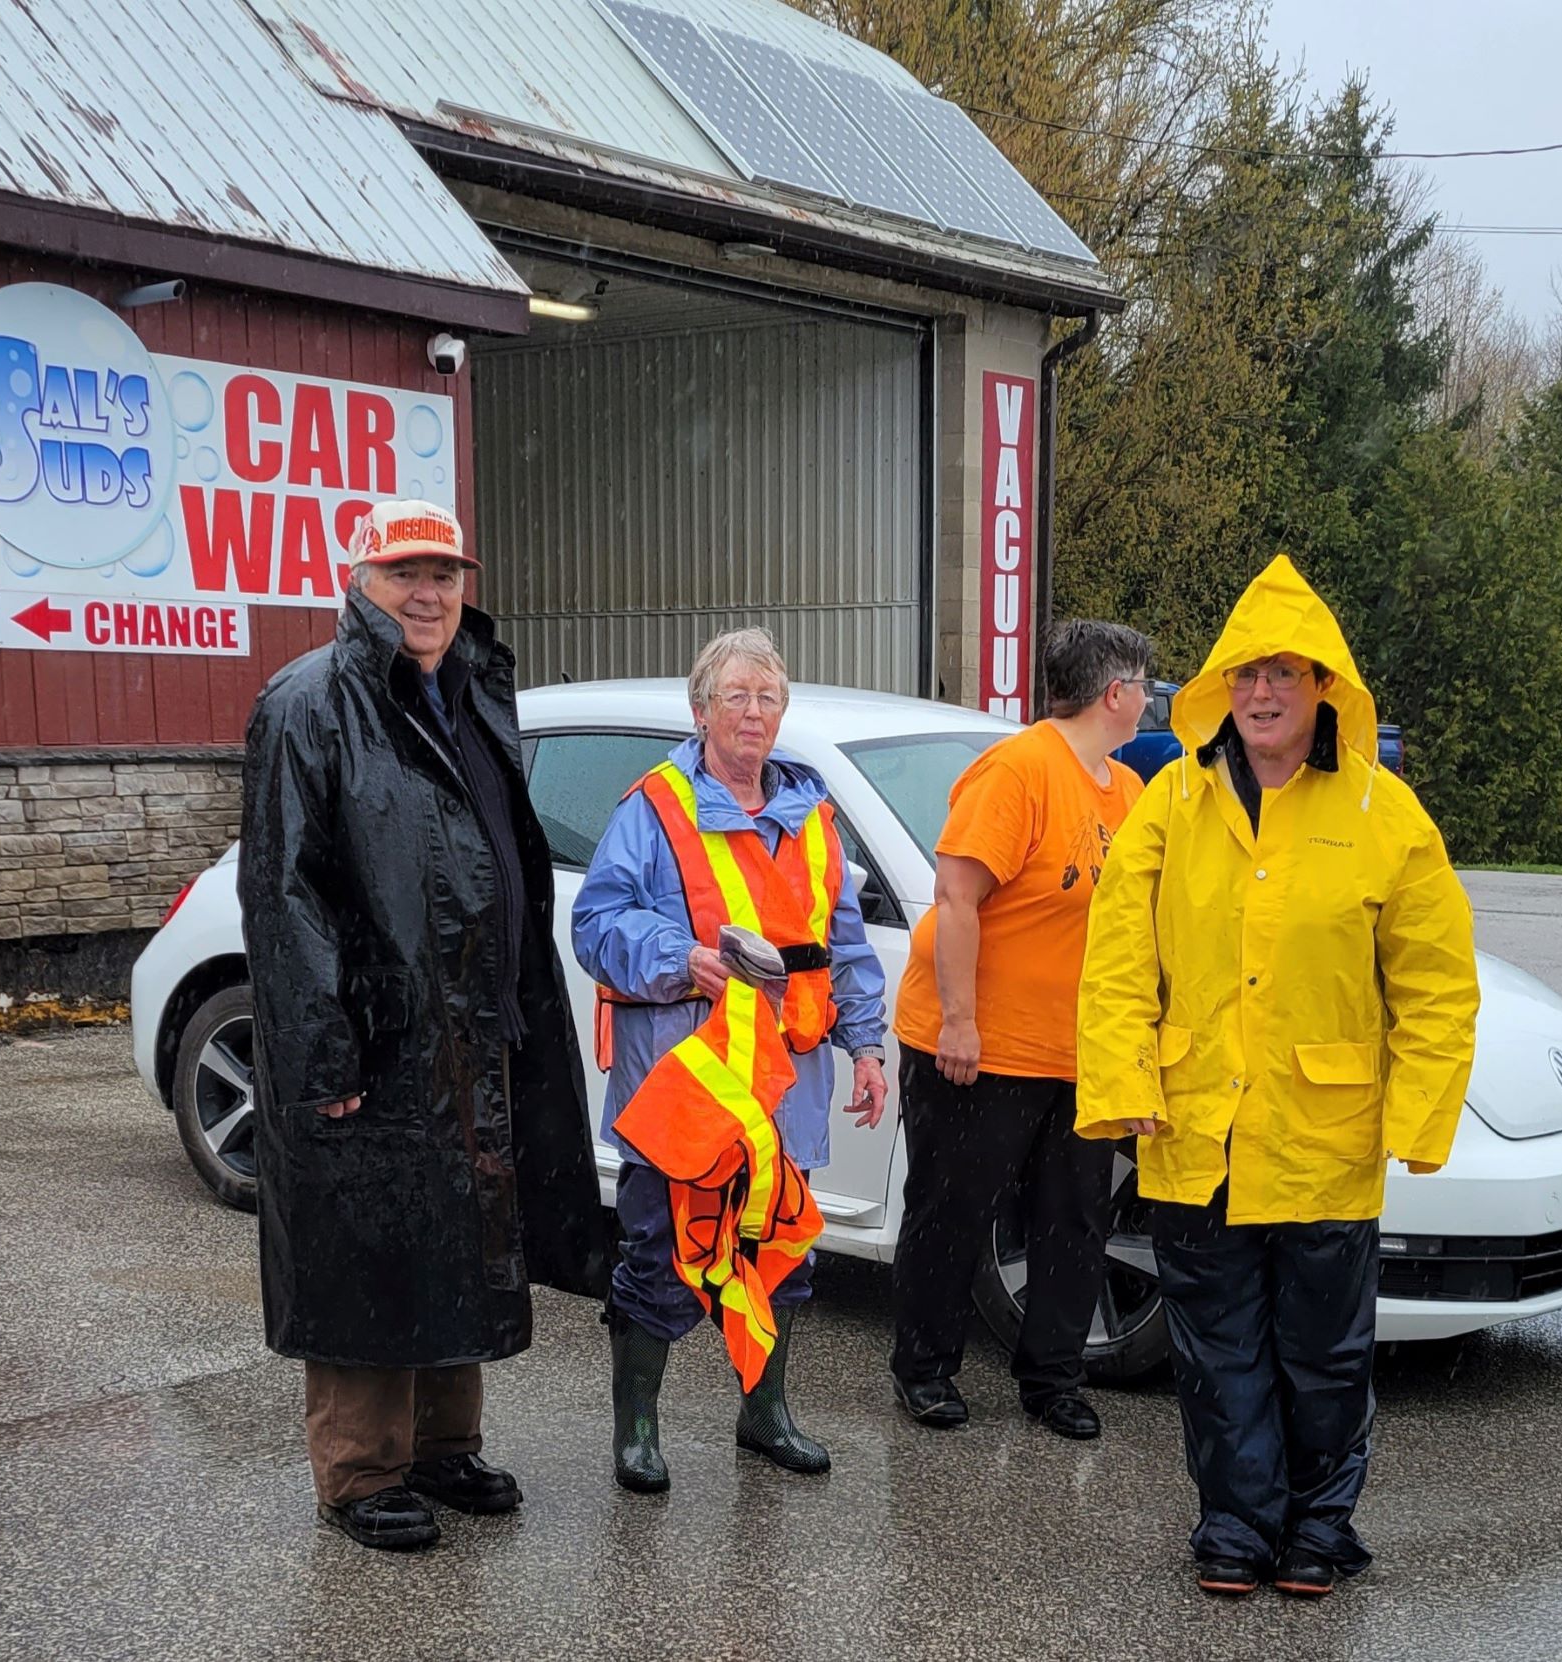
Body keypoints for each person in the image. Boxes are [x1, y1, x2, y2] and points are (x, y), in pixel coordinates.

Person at [1076, 556, 1479, 1599]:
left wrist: (1420, 1115)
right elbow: (1118, 960)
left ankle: (1317, 1530)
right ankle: (1234, 1528)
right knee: (1217, 1354)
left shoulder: (1385, 813)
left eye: (1284, 675)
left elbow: (1436, 982)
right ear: (1221, 687)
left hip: (1322, 1139)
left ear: (1322, 688)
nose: (1261, 693)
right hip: (1193, 1133)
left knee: (1323, 1354)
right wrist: (1121, 1083)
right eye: (1246, 674)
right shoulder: (1170, 803)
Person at [239, 499, 607, 1553]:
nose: (428, 592)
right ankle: (362, 1471)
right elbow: (284, 894)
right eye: (404, 572)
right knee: (368, 1249)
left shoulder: (470, 693)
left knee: (458, 1238)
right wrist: (325, 1051)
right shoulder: (308, 702)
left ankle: (446, 1447)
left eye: (444, 573)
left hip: (472, 1022)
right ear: (359, 581)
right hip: (377, 1030)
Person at [572, 626, 888, 1492]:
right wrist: (682, 958)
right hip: (686, 1089)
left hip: (785, 1090)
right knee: (659, 1258)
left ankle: (765, 1414)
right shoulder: (654, 807)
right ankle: (638, 1432)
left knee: (780, 1250)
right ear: (701, 710)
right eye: (736, 696)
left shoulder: (815, 819)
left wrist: (866, 1045)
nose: (754, 712)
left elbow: (844, 949)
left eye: (768, 697)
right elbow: (596, 925)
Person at [887, 620, 1154, 1439]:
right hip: (980, 1048)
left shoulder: (1126, 791)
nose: (1149, 698)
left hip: (1077, 1053)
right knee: (954, 1211)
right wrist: (960, 1023)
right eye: (1145, 684)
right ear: (1115, 693)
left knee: (1074, 1219)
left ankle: (1052, 1380)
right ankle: (924, 1369)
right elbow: (956, 897)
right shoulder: (1018, 770)